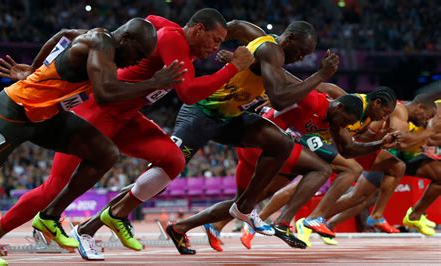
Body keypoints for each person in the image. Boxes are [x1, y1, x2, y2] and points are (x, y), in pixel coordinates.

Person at [0, 8, 255, 262]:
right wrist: (232, 68)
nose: (217, 48)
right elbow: (189, 93)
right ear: (197, 30)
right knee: (53, 186)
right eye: (216, 40)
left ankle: (115, 213)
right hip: (97, 112)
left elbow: (150, 19)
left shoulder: (167, 32)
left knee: (173, 160)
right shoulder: (174, 41)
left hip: (127, 117)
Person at [156, 18, 343, 254]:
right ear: (290, 38)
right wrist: (321, 74)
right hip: (202, 113)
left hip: (231, 119)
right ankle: (101, 221)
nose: (302, 58)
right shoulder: (271, 51)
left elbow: (232, 25)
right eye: (302, 51)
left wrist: (228, 54)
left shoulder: (263, 45)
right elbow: (280, 98)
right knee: (161, 175)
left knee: (281, 143)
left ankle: (243, 208)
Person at [204, 86, 397, 251]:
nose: (385, 117)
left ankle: (221, 224)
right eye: (385, 112)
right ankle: (313, 218)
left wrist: (379, 141)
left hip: (304, 136)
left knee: (276, 188)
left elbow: (348, 147)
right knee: (349, 169)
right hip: (294, 135)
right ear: (377, 103)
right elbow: (312, 86)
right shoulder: (348, 100)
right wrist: (278, 97)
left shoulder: (367, 119)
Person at [319, 94, 439, 244]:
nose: (427, 120)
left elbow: (431, 140)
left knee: (364, 197)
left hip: (402, 156)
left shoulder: (421, 119)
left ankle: (414, 215)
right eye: (429, 116)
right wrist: (428, 133)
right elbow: (400, 140)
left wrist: (427, 136)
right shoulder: (401, 110)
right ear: (420, 107)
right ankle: (316, 219)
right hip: (384, 154)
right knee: (360, 198)